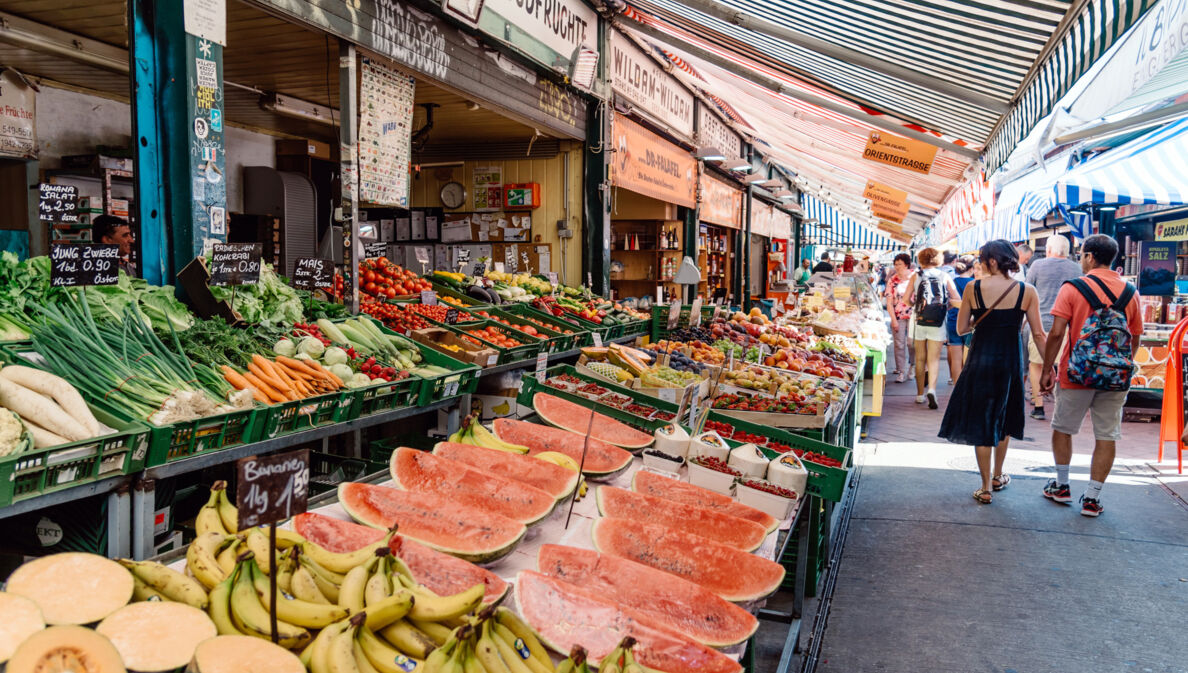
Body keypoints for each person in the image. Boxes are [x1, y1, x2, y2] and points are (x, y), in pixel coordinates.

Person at [1039, 234, 1143, 518]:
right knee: (1107, 435)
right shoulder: (1130, 292)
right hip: (1115, 376)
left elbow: (1057, 332)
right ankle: (1093, 499)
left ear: (1090, 256)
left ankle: (1061, 486)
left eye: (1082, 254)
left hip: (1076, 372)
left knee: (1063, 427)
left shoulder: (1073, 288)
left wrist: (1048, 367)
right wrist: (1120, 364)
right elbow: (1134, 338)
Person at [939, 240, 1047, 504]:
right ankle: (999, 475)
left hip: (980, 361)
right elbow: (1038, 333)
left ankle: (985, 486)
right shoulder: (1027, 291)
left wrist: (981, 318)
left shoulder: (974, 289)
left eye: (983, 259)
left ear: (992, 261)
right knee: (1005, 416)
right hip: (1010, 362)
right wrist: (1050, 365)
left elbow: (962, 328)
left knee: (981, 420)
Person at [1024, 235, 1082, 419]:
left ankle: (1039, 406)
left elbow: (1027, 291)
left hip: (1039, 324)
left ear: (1048, 249)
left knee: (1036, 364)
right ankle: (1060, 406)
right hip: (1067, 326)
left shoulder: (1037, 266)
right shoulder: (1077, 268)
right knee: (1063, 366)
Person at [902, 247, 961, 408]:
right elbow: (957, 298)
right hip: (939, 320)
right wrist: (946, 306)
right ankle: (932, 390)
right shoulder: (944, 276)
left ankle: (920, 394)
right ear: (938, 260)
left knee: (920, 358)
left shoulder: (916, 276)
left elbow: (906, 299)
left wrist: (916, 307)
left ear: (921, 259)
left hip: (919, 320)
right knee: (933, 359)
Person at [884, 253, 915, 383]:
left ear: (906, 264)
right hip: (898, 315)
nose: (897, 267)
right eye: (895, 264)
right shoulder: (892, 280)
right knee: (899, 344)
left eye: (899, 264)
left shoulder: (916, 277)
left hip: (914, 315)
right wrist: (893, 319)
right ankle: (901, 371)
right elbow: (889, 302)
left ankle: (912, 366)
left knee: (911, 342)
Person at [944, 257, 976, 382]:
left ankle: (956, 386)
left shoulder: (952, 282)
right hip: (969, 322)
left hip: (953, 321)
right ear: (972, 268)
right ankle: (967, 385)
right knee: (969, 358)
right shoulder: (974, 283)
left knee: (956, 359)